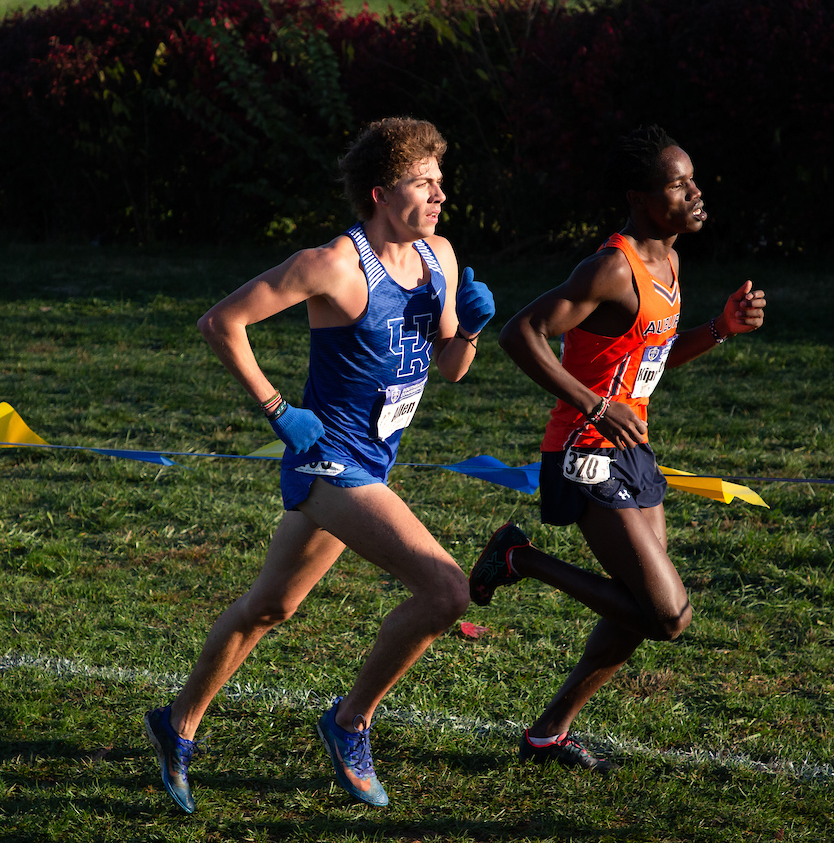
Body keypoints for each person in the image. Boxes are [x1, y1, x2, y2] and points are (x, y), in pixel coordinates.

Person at [144, 117, 496, 813]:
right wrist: (279, 409)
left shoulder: (441, 257)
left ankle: (175, 723)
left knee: (270, 606)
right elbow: (220, 323)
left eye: (440, 181)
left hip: (374, 462)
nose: (439, 195)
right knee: (447, 591)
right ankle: (349, 723)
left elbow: (453, 367)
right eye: (423, 182)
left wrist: (472, 328)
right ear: (380, 193)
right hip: (328, 461)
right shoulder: (335, 264)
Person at [469, 125, 766, 772]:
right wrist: (594, 404)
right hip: (586, 450)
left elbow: (650, 358)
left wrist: (719, 328)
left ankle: (547, 734)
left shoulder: (670, 262)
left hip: (632, 447)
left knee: (638, 609)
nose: (694, 192)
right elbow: (520, 333)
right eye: (677, 185)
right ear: (639, 197)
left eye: (692, 179)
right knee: (669, 616)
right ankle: (519, 558)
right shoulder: (611, 268)